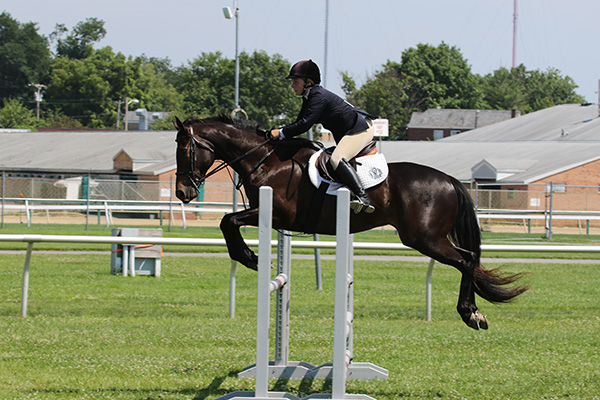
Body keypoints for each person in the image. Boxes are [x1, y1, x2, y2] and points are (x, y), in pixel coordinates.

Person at [268, 59, 375, 214]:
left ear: (308, 83)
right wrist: (282, 136)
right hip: (349, 131)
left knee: (336, 159)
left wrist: (281, 132)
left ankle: (362, 197)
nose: (292, 86)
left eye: (295, 81)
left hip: (360, 129)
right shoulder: (309, 97)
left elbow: (304, 124)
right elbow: (299, 123)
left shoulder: (317, 96)